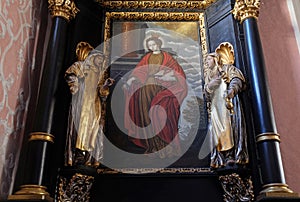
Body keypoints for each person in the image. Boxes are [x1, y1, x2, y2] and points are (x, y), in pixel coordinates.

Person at [123, 35, 188, 158]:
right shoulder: (147, 57)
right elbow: (139, 71)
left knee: (161, 113)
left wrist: (167, 76)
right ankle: (152, 145)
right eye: (150, 45)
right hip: (146, 88)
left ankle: (166, 146)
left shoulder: (167, 57)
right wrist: (132, 80)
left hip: (160, 87)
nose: (152, 47)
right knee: (147, 114)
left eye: (154, 44)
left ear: (159, 44)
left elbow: (178, 73)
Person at [65, 43, 114, 167]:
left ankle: (89, 157)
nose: (100, 61)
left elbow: (102, 93)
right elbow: (70, 75)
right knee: (80, 126)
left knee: (93, 129)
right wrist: (75, 84)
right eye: (99, 58)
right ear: (92, 57)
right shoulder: (81, 66)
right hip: (83, 100)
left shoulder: (100, 75)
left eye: (102, 60)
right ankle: (77, 154)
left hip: (94, 104)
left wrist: (106, 85)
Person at [204, 50, 248, 169]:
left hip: (227, 102)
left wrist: (231, 91)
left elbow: (236, 79)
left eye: (208, 59)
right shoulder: (209, 76)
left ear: (215, 58)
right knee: (216, 130)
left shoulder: (227, 68)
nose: (206, 62)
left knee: (229, 127)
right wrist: (209, 87)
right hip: (215, 106)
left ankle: (231, 155)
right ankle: (220, 157)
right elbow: (207, 95)